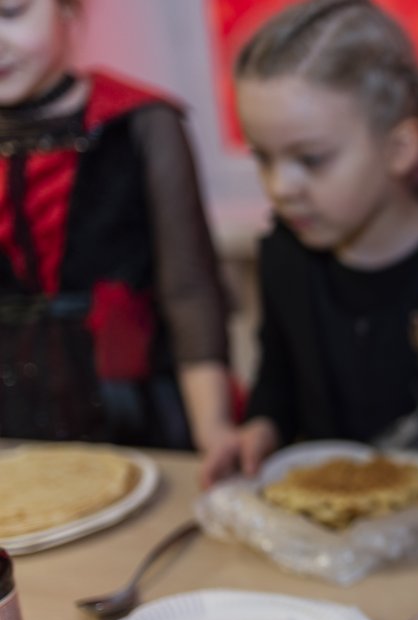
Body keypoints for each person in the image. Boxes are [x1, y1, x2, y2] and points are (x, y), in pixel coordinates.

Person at [204, 0, 418, 531]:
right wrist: (261, 427)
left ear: (399, 147)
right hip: (330, 538)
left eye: (310, 159)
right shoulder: (284, 256)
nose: (280, 188)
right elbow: (278, 380)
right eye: (263, 157)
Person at [0, 0, 235, 454]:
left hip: (132, 409)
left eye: (11, 13)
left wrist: (214, 428)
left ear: (69, 10)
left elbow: (189, 292)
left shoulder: (142, 122)